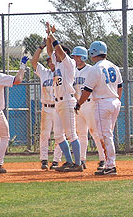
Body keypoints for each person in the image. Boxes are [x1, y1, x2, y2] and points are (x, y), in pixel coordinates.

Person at [75, 41, 123, 176]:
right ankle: (109, 163)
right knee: (108, 134)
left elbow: (87, 90)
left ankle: (110, 166)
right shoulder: (113, 66)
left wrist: (79, 103)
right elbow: (120, 86)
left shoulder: (95, 68)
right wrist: (116, 100)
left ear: (93, 53)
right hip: (114, 101)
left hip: (103, 103)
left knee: (105, 136)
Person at [45, 23, 83, 172]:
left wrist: (53, 37)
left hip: (67, 100)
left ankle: (78, 164)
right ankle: (68, 161)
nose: (55, 55)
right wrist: (48, 35)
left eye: (57, 54)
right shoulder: (58, 64)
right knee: (59, 135)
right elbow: (50, 51)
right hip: (58, 103)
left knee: (71, 134)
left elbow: (58, 50)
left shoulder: (69, 63)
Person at [30, 40, 64, 170]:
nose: (50, 63)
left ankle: (56, 160)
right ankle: (44, 159)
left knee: (59, 135)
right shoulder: (44, 72)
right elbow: (33, 62)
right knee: (44, 134)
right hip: (46, 108)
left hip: (59, 107)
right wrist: (41, 47)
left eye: (52, 61)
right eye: (49, 61)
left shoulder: (63, 71)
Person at [71, 46, 106, 171]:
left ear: (84, 57)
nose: (75, 58)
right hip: (78, 105)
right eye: (74, 56)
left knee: (95, 133)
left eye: (77, 56)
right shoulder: (73, 71)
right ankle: (81, 159)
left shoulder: (91, 70)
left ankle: (103, 159)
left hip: (90, 104)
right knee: (81, 134)